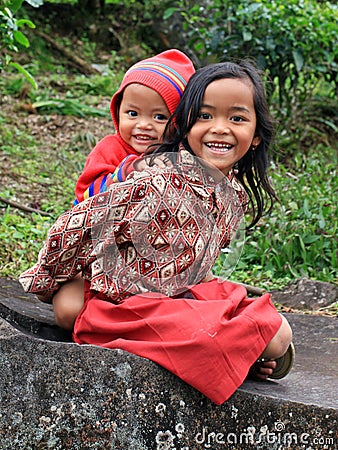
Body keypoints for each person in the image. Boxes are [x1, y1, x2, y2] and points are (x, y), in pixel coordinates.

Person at [19, 60, 293, 405]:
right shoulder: (155, 180)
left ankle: (234, 346)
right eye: (205, 116)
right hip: (125, 303)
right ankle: (231, 351)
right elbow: (75, 226)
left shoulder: (232, 192)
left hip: (178, 293)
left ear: (255, 136)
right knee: (262, 334)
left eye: (236, 118)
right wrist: (51, 280)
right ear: (185, 127)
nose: (219, 128)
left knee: (277, 334)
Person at [52, 49, 196, 330]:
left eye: (159, 117)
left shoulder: (180, 159)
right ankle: (110, 319)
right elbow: (87, 195)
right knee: (68, 313)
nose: (143, 125)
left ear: (179, 122)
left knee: (184, 307)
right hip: (93, 257)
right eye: (132, 113)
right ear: (117, 112)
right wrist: (124, 173)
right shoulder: (111, 149)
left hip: (151, 266)